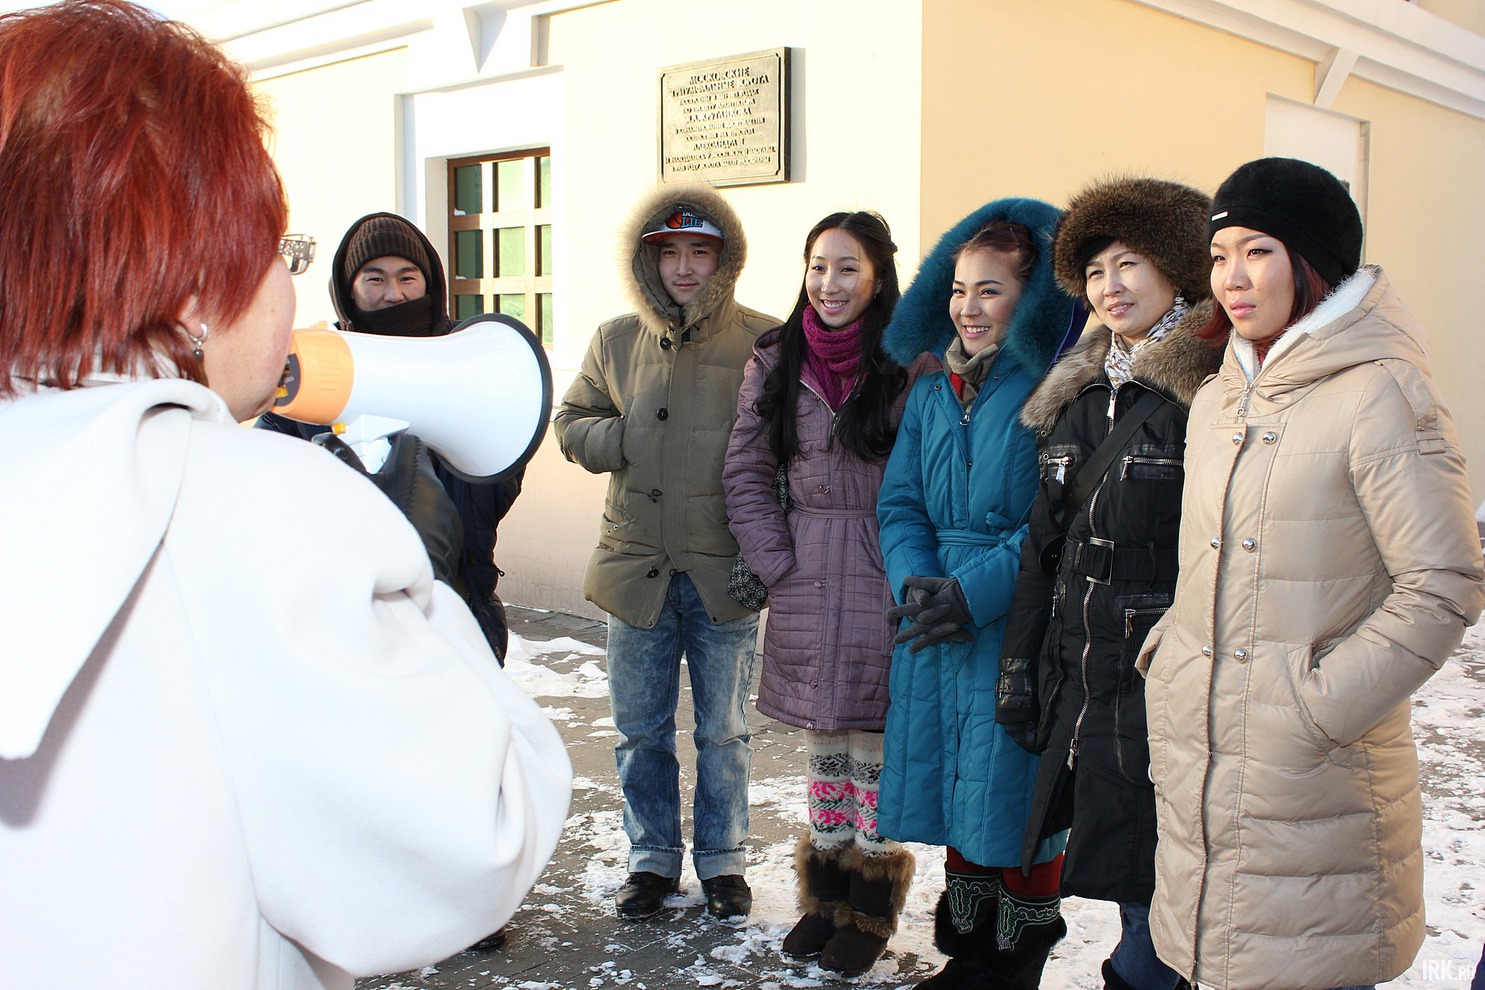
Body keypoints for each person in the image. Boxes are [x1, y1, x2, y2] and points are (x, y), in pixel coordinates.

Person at [0, 3, 571, 988]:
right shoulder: (249, 503)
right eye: (276, 251)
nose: (291, 287)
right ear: (189, 285)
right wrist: (405, 571)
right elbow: (476, 835)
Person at [1138, 157, 1485, 990]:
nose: (1231, 279)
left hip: (1313, 776)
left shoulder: (1378, 392)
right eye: (1219, 257)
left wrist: (1313, 706)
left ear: (1310, 260)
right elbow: (1212, 562)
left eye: (1256, 251)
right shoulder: (1223, 393)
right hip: (1205, 754)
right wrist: (1173, 651)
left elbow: (1442, 581)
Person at [993, 178, 1220, 990]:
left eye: (1129, 263)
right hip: (1083, 680)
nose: (1108, 286)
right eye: (1093, 270)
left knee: (1166, 880)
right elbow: (1041, 552)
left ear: (1176, 270)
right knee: (1130, 876)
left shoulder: (1214, 393)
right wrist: (1021, 669)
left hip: (1165, 683)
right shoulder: (1078, 395)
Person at [553, 186, 778, 922]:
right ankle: (650, 860)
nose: (684, 267)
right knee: (639, 731)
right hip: (636, 567)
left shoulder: (764, 341)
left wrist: (767, 546)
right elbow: (572, 420)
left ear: (724, 257)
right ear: (648, 260)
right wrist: (622, 439)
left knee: (724, 732)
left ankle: (723, 862)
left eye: (699, 251)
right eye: (670, 252)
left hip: (723, 573)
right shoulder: (614, 339)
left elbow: (791, 452)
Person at [722, 211, 932, 975]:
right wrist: (778, 562)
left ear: (877, 276)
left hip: (883, 566)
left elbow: (926, 476)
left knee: (874, 748)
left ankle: (868, 913)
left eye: (847, 268)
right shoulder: (775, 359)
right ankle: (823, 901)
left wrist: (906, 566)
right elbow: (743, 471)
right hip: (807, 566)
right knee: (824, 746)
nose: (829, 283)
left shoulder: (910, 361)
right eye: (817, 266)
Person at [876, 199, 1076, 990]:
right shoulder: (931, 393)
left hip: (1009, 623)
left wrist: (969, 593)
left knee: (1013, 800)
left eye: (989, 290)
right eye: (959, 289)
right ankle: (967, 959)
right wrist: (915, 583)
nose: (968, 307)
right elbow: (898, 504)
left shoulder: (1048, 393)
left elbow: (1048, 523)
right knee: (958, 789)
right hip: (934, 624)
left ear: (1029, 298)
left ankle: (1013, 965)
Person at [258, 212, 524, 665]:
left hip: (460, 609)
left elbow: (496, 477)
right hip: (338, 627)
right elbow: (270, 488)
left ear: (430, 283)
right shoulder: (307, 371)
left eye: (407, 277)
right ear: (349, 288)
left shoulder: (468, 361)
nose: (393, 295)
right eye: (374, 279)